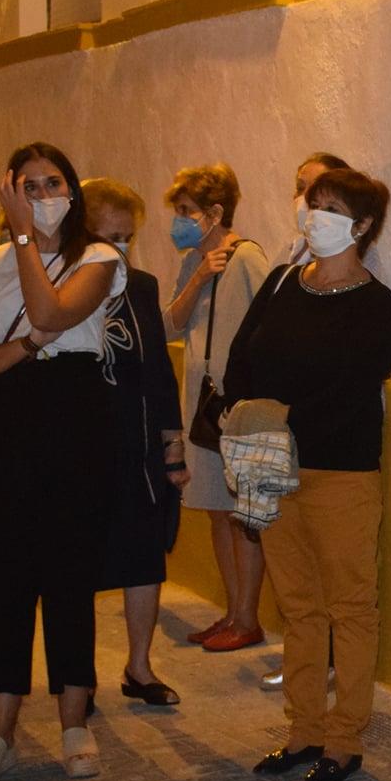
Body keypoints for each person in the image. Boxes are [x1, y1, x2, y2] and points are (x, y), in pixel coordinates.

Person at [0, 143, 124, 781]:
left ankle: (74, 722)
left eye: (54, 182)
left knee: (68, 573)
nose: (43, 193)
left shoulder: (100, 257)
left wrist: (26, 239)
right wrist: (26, 344)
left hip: (75, 414)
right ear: (9, 192)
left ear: (74, 190)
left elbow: (56, 310)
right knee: (7, 576)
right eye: (28, 185)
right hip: (9, 416)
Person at [229, 167, 391, 781]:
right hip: (273, 468)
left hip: (340, 471)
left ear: (361, 226)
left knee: (350, 607)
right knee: (299, 608)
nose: (314, 215)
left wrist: (284, 418)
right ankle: (302, 732)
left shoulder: (373, 301)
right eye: (312, 202)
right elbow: (242, 358)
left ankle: (345, 738)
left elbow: (355, 383)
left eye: (330, 207)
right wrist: (247, 413)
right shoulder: (281, 283)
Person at [83, 178, 188, 706]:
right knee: (79, 561)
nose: (120, 248)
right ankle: (78, 676)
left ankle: (140, 667)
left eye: (127, 236)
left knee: (145, 557)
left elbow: (159, 372)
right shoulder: (62, 290)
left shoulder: (141, 287)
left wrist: (173, 444)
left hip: (139, 445)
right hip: (84, 448)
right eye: (109, 236)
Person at [163, 162, 273, 653]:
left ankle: (247, 617)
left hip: (237, 408)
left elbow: (266, 328)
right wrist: (199, 278)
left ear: (215, 212)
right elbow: (169, 325)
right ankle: (230, 612)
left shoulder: (248, 257)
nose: (180, 221)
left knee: (240, 516)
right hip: (199, 407)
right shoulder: (194, 261)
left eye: (187, 211)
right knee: (213, 510)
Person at [282, 151, 349, 265]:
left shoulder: (340, 255)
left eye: (316, 190)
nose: (306, 197)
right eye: (300, 187)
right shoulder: (300, 244)